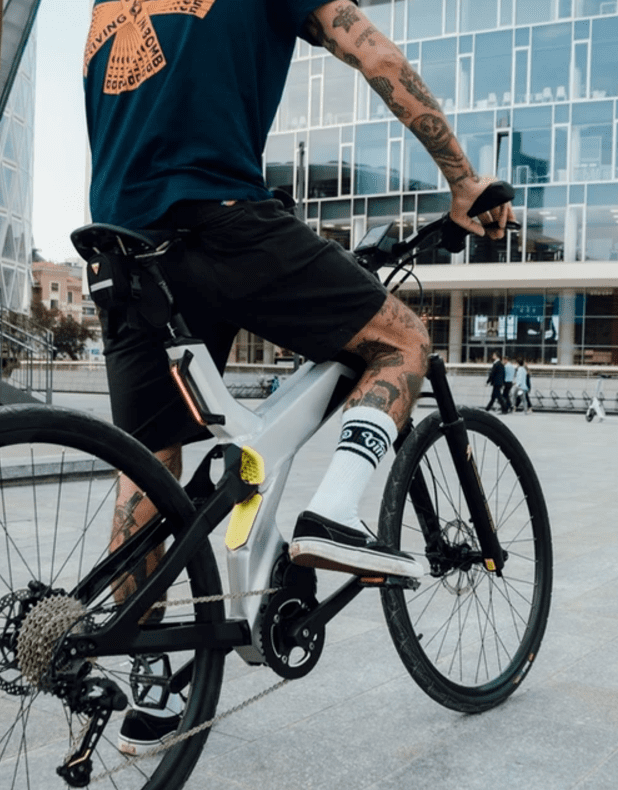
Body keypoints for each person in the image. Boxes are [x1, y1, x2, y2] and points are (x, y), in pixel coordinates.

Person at [83, 0, 514, 751]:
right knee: (402, 340)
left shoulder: (103, 6)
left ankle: (148, 682)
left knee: (149, 462)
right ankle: (333, 514)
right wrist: (463, 180)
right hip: (222, 225)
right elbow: (377, 56)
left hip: (120, 248)